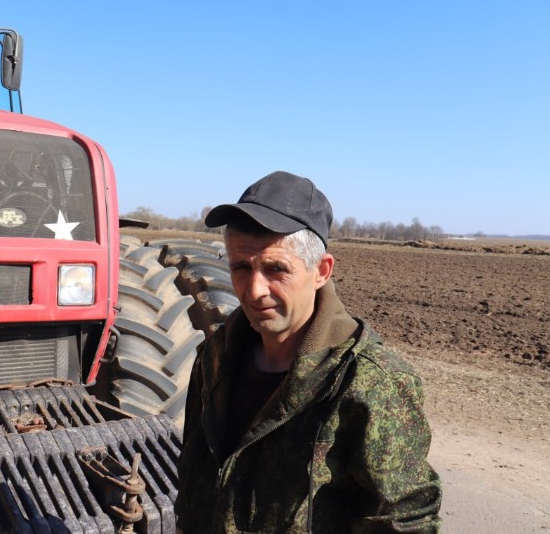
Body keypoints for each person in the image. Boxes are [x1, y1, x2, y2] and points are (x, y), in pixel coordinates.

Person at [175, 171, 441, 533]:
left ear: (321, 271)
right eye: (241, 267)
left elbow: (405, 522)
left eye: (276, 269)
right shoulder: (214, 358)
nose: (254, 290)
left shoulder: (368, 384)